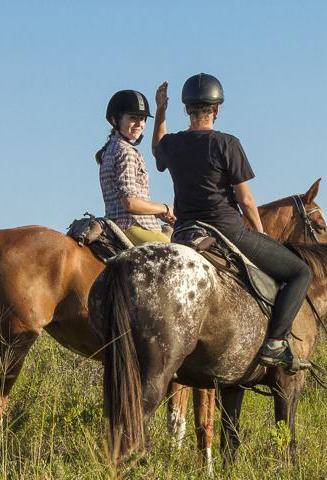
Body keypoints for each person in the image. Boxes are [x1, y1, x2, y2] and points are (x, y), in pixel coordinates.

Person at [151, 74, 313, 371]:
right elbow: (246, 201)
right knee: (301, 272)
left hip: (184, 233)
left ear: (187, 109)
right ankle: (276, 343)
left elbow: (157, 148)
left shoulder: (172, 144)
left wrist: (160, 109)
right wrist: (263, 235)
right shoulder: (227, 143)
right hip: (226, 231)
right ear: (217, 109)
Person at [95, 89, 174, 245]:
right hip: (133, 226)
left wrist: (158, 213)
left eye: (142, 118)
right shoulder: (126, 152)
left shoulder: (111, 148)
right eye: (133, 118)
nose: (139, 124)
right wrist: (165, 208)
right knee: (181, 257)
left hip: (118, 224)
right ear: (115, 119)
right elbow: (130, 202)